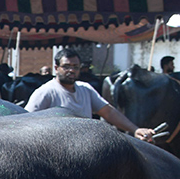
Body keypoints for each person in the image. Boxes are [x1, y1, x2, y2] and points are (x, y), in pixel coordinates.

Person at [26, 48, 154, 141]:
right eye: (66, 66)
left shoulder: (85, 89)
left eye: (75, 67)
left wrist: (135, 130)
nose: (71, 70)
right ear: (56, 68)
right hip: (56, 149)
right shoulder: (46, 92)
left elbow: (108, 112)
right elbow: (25, 122)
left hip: (86, 147)